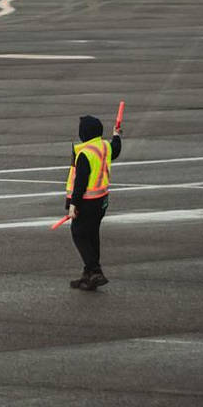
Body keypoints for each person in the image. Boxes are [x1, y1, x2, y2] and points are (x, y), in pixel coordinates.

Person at [66, 113, 121, 291]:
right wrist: (116, 135)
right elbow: (116, 149)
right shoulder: (104, 146)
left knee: (78, 233)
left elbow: (80, 183)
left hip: (87, 201)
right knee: (92, 235)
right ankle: (89, 275)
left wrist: (73, 205)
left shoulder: (85, 153)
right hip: (101, 201)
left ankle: (94, 270)